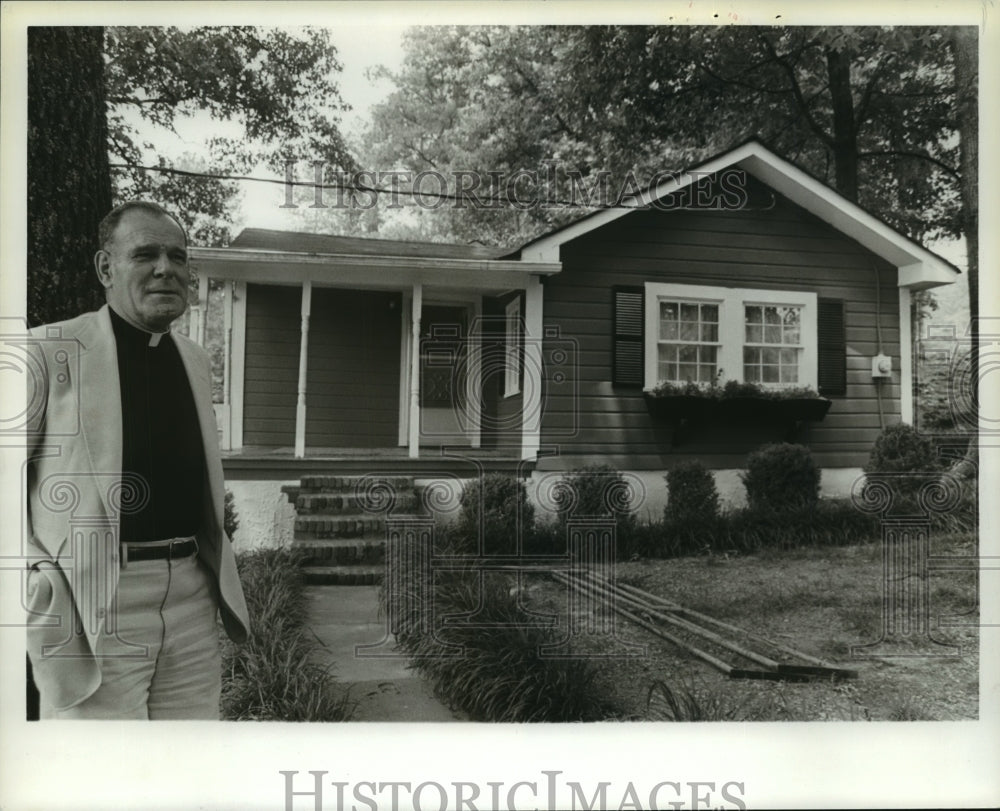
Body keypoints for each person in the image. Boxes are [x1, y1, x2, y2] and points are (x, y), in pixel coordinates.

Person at [24, 201, 250, 719]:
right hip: (94, 605)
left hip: (192, 598)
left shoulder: (193, 358)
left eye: (177, 256)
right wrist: (35, 580)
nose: (165, 268)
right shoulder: (47, 351)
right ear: (106, 268)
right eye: (145, 254)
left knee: (188, 775)